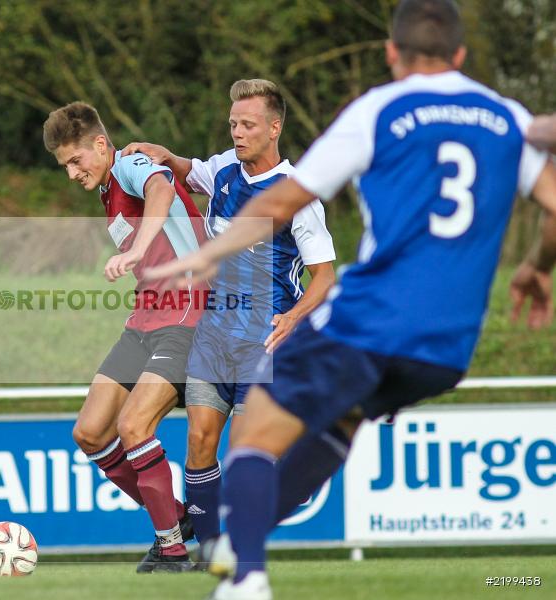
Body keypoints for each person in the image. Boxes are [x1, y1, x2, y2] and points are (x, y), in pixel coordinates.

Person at [144, 1, 556, 598]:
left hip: (372, 320)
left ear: (392, 53)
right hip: (448, 347)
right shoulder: (505, 116)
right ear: (461, 56)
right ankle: (243, 537)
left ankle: (247, 577)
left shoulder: (378, 110)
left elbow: (280, 201)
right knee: (342, 420)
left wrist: (205, 254)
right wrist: (536, 267)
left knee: (256, 425)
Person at [121, 78, 336, 548]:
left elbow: (324, 276)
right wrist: (163, 153)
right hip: (213, 333)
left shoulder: (298, 196)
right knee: (199, 438)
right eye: (233, 123)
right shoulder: (223, 170)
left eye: (248, 124)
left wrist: (294, 317)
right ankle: (212, 551)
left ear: (274, 127)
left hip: (264, 340)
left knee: (245, 452)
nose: (237, 132)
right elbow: (186, 169)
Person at [43, 102, 208, 572]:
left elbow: (161, 187)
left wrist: (137, 248)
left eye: (76, 160)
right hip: (145, 320)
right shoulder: (108, 191)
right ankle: (174, 519)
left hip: (187, 316)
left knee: (134, 426)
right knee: (91, 432)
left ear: (100, 144)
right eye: (65, 166)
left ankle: (173, 550)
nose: (72, 173)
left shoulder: (131, 165)